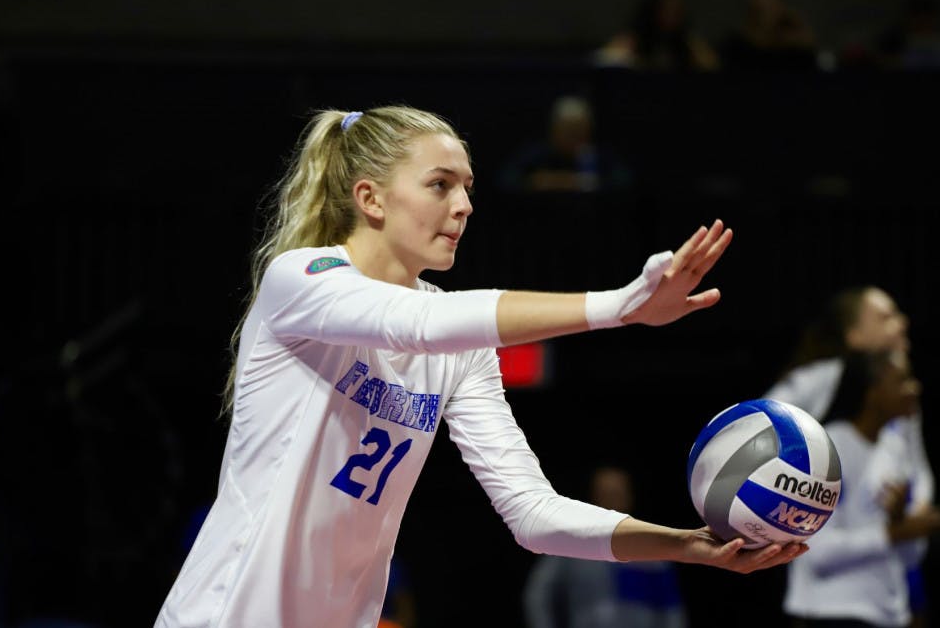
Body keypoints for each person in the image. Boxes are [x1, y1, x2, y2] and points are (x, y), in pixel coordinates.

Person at [154, 105, 806, 628]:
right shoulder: (301, 279)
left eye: (468, 187)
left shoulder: (460, 351)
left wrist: (688, 545)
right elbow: (419, 323)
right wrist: (618, 307)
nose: (465, 205)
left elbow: (534, 515)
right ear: (371, 199)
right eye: (440, 185)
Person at [764, 286, 934, 627]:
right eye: (885, 317)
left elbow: (918, 467)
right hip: (830, 598)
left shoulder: (896, 428)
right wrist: (786, 489)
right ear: (854, 336)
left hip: (886, 586)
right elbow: (760, 430)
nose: (901, 323)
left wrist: (915, 511)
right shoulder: (820, 386)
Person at [523, 465, 687, 628]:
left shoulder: (651, 549)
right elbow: (538, 594)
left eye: (617, 494)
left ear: (629, 496)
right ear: (594, 497)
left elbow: (671, 608)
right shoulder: (572, 542)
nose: (612, 501)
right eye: (606, 494)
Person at [497, 95, 633, 193]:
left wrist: (591, 182)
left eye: (580, 132)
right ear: (554, 130)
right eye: (569, 131)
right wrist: (535, 181)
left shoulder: (598, 156)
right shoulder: (536, 154)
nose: (575, 138)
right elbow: (505, 180)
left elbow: (625, 181)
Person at [592, 0, 720, 72]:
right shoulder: (636, 36)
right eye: (666, 9)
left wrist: (693, 43)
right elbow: (603, 60)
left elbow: (712, 66)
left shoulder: (687, 39)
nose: (671, 16)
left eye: (677, 11)